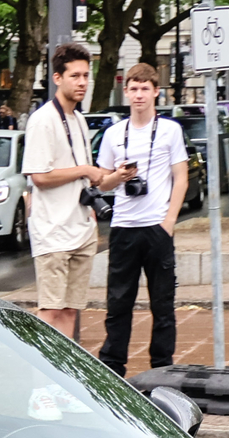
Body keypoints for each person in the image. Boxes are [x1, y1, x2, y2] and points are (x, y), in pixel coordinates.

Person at [21, 41, 122, 345]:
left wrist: (112, 177)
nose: (82, 82)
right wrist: (84, 170)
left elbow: (86, 177)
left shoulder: (79, 120)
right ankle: (44, 377)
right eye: (75, 75)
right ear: (57, 78)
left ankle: (65, 378)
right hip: (52, 231)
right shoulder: (42, 120)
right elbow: (39, 176)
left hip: (80, 229)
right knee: (50, 311)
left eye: (86, 76)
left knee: (70, 311)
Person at [95, 63, 187, 376]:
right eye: (133, 89)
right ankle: (113, 365)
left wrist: (169, 222)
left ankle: (162, 366)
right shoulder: (113, 134)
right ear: (126, 92)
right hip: (123, 226)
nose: (138, 95)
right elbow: (102, 182)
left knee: (163, 303)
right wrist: (117, 177)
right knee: (118, 302)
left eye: (145, 89)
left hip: (157, 226)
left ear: (156, 92)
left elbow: (181, 178)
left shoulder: (170, 130)